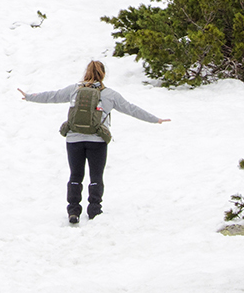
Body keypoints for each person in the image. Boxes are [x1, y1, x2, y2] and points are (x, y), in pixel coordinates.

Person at [19, 60, 169, 224]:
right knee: (96, 176)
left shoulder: (74, 90)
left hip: (74, 139)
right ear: (103, 74)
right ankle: (94, 211)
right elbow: (132, 109)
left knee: (76, 175)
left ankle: (73, 211)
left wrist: (28, 97)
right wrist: (156, 120)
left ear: (86, 73)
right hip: (97, 140)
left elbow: (52, 96)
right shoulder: (110, 94)